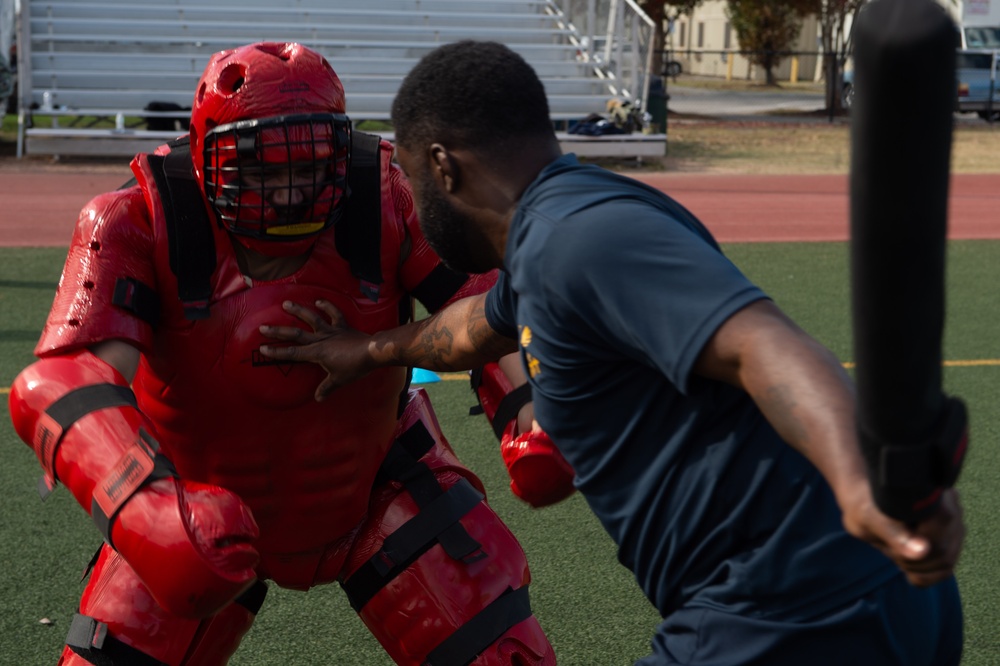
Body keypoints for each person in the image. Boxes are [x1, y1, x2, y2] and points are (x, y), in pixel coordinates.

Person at [258, 41, 966, 665]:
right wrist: (367, 349)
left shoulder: (582, 239)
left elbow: (766, 346)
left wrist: (858, 481)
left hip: (790, 602)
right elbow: (474, 327)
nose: (412, 200)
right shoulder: (550, 240)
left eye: (413, 180)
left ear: (442, 167)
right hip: (850, 599)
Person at [7, 41, 559, 665]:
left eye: (308, 166)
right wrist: (149, 511)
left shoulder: (384, 191)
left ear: (338, 150)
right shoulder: (138, 218)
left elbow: (489, 303)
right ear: (206, 152)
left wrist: (531, 408)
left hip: (378, 479)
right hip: (197, 502)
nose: (289, 192)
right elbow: (62, 379)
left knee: (502, 656)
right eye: (262, 167)